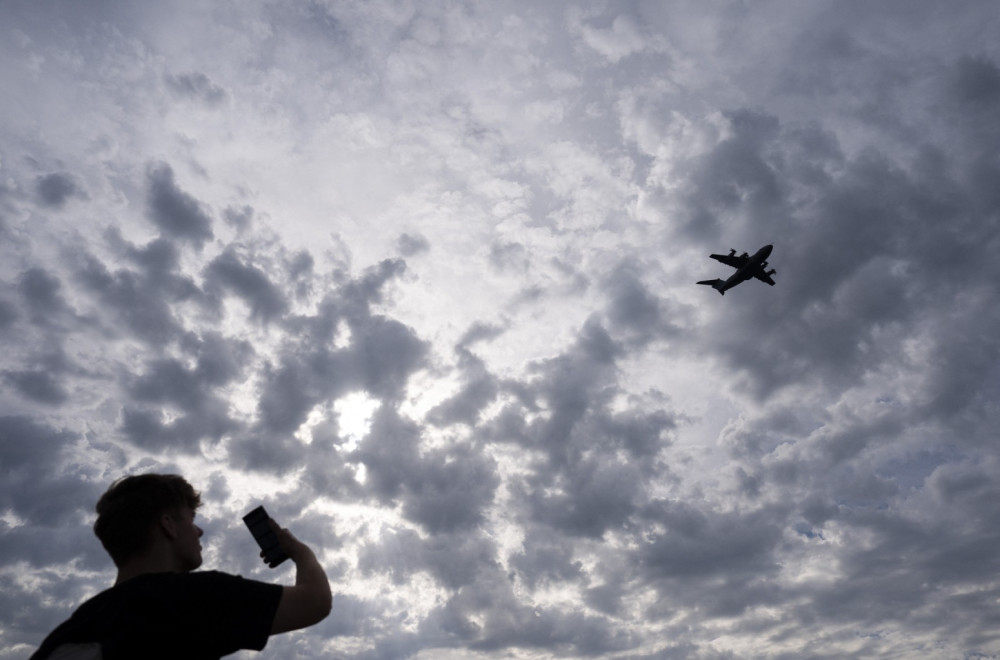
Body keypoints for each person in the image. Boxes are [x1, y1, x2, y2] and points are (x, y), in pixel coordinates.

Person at [30, 474, 332, 659]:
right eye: (191, 519)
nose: (199, 532)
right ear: (169, 526)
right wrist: (299, 551)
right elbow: (315, 602)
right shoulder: (195, 598)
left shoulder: (67, 632)